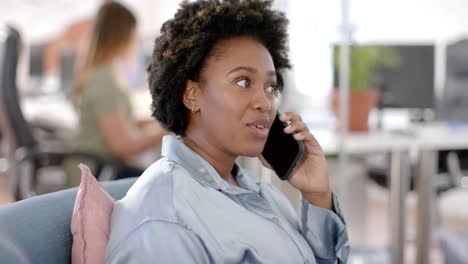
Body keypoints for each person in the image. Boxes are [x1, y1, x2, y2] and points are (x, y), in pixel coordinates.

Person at [105, 1, 350, 263]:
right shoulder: (165, 223)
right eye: (243, 82)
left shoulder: (256, 190)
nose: (265, 103)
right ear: (191, 95)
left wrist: (317, 196)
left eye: (270, 87)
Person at [65, 2, 169, 187]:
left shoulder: (103, 72)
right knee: (162, 184)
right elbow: (121, 146)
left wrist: (160, 121)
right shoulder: (103, 79)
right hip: (98, 172)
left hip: (101, 166)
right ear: (123, 35)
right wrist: (165, 132)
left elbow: (120, 121)